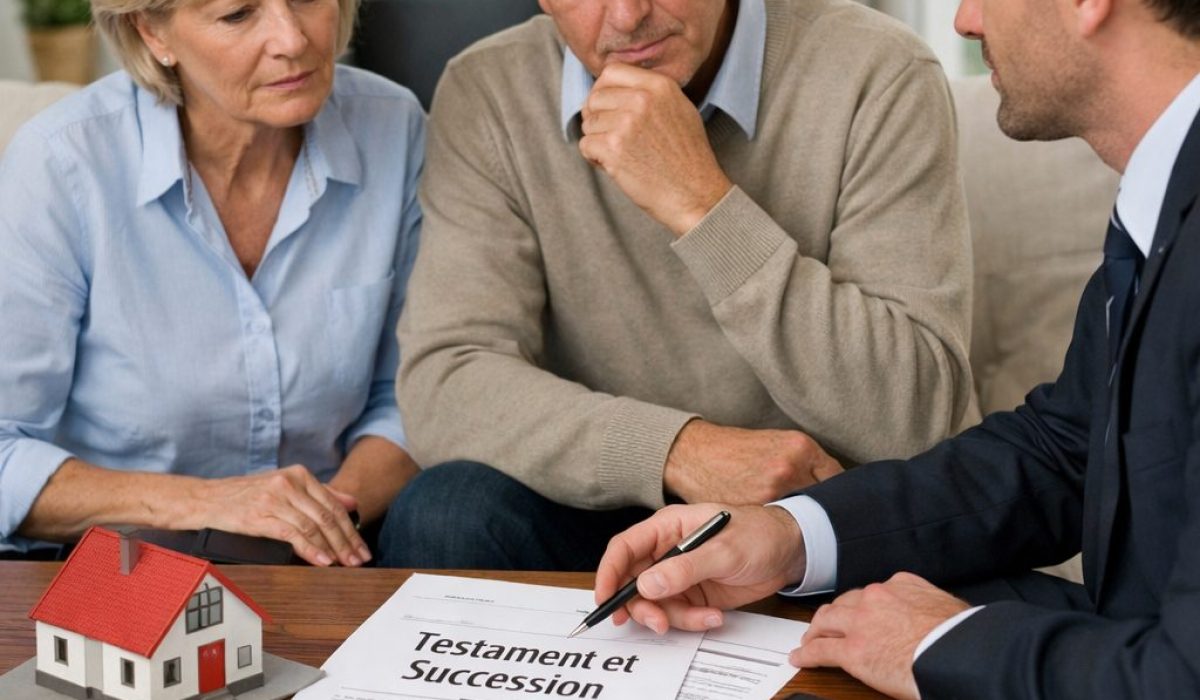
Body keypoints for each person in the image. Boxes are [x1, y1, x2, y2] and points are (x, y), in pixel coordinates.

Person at [594, 0, 1200, 696]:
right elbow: (1064, 450)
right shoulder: (1162, 197)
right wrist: (790, 538)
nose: (967, 21)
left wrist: (939, 642)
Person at [382, 0, 977, 570]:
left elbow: (912, 418)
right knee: (444, 512)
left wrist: (700, 204)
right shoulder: (488, 90)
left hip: (821, 517)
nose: (627, 15)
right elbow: (446, 382)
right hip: (611, 510)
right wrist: (677, 451)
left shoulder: (879, 71)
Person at [0, 0, 425, 566]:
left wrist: (317, 525)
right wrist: (210, 505)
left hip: (336, 557)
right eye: (238, 14)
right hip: (116, 567)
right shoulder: (63, 162)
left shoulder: (395, 127)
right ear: (151, 31)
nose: (292, 39)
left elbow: (413, 395)